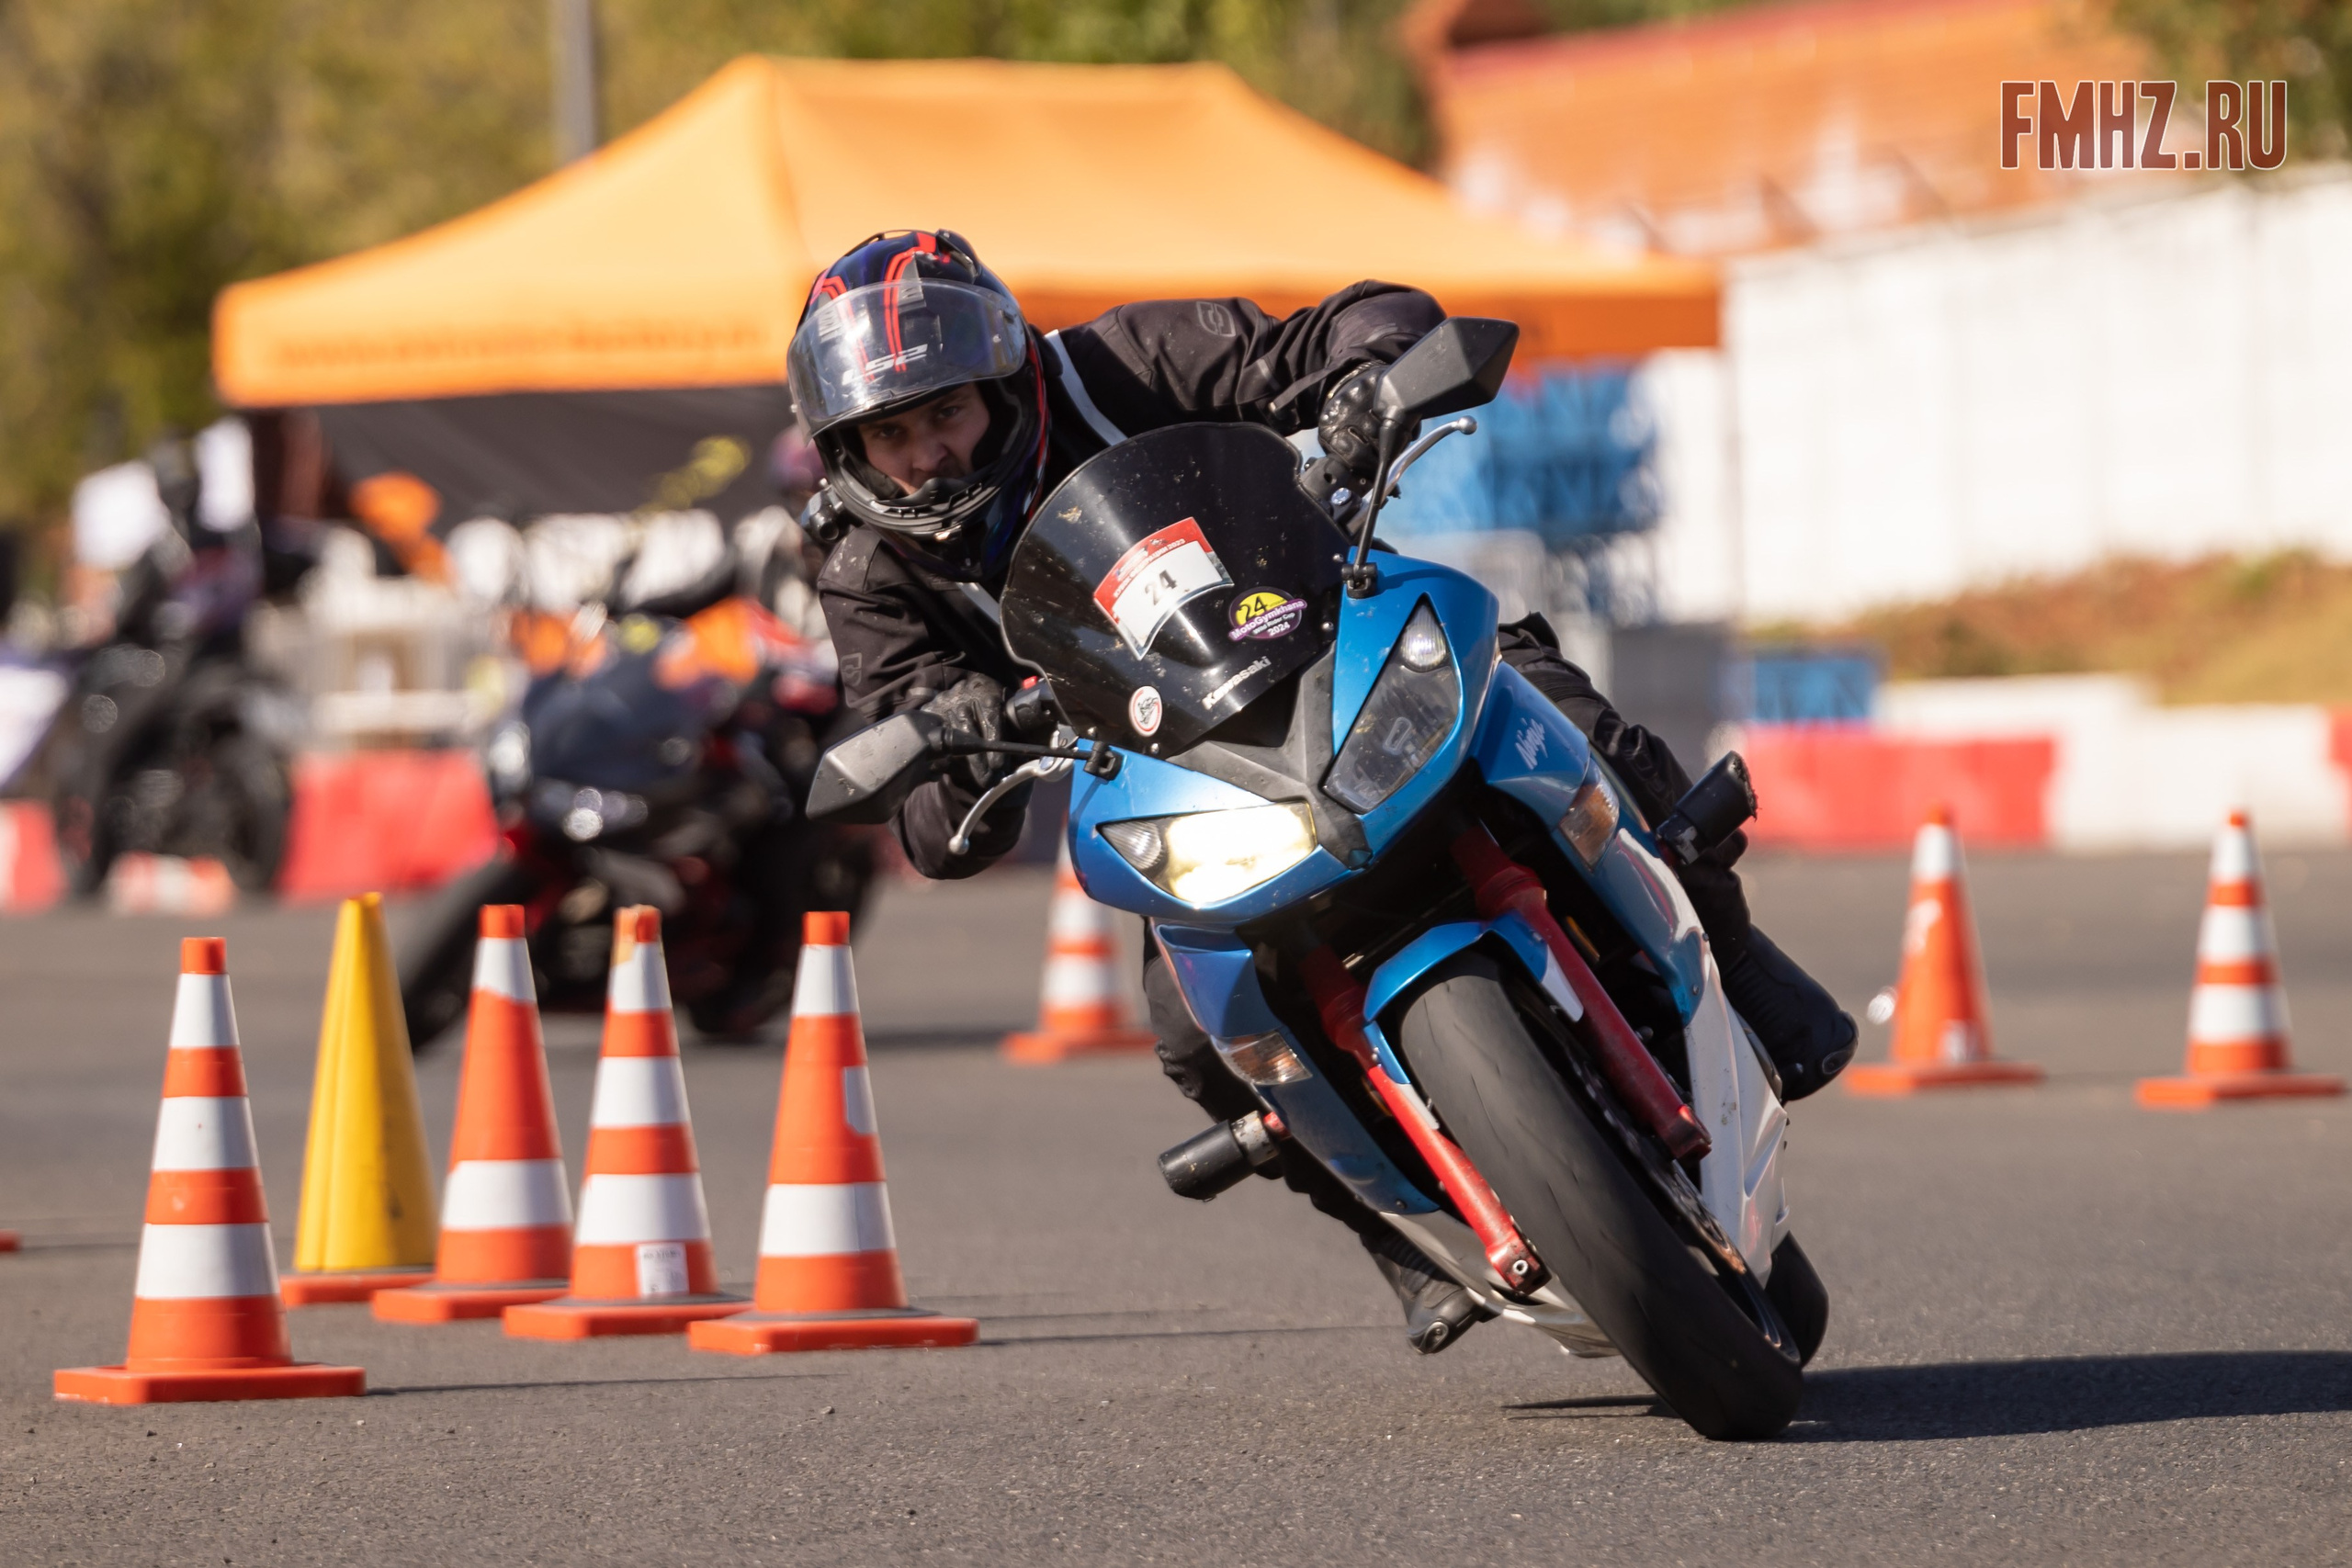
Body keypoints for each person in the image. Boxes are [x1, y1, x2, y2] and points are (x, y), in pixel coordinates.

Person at [797, 230, 1855, 1355]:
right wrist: (950, 742)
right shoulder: (868, 570)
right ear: (850, 448)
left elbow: (1347, 320)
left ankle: (1738, 960)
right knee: (1191, 1038)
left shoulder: (1121, 361)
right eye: (894, 434)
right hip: (1173, 770)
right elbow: (917, 802)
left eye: (946, 415)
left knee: (1555, 707)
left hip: (1325, 639)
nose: (928, 458)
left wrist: (1361, 381)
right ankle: (1393, 1229)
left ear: (1006, 384)